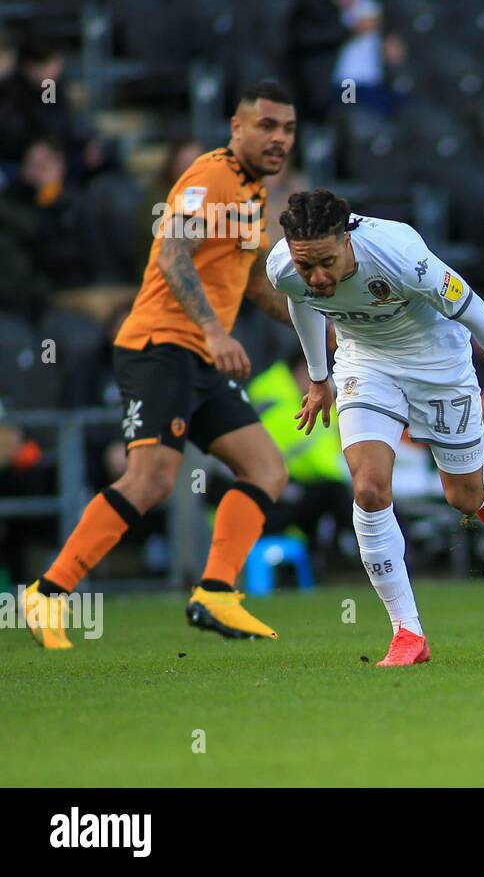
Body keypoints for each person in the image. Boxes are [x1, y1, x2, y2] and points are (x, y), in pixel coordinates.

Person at [23, 81, 300, 650]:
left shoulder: (253, 195)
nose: (279, 139)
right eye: (267, 125)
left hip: (200, 355)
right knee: (150, 480)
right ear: (237, 128)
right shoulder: (210, 176)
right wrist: (215, 331)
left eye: (288, 129)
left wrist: (322, 322)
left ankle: (216, 593)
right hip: (161, 346)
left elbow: (253, 285)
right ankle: (48, 594)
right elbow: (173, 253)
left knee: (267, 469)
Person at [268, 189, 484, 667]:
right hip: (364, 365)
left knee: (463, 498)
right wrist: (317, 378)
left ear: (347, 239)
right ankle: (406, 631)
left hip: (439, 366)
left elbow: (475, 311)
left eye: (326, 262)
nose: (318, 277)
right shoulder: (285, 269)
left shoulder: (401, 255)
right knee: (370, 490)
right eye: (306, 266)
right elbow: (300, 301)